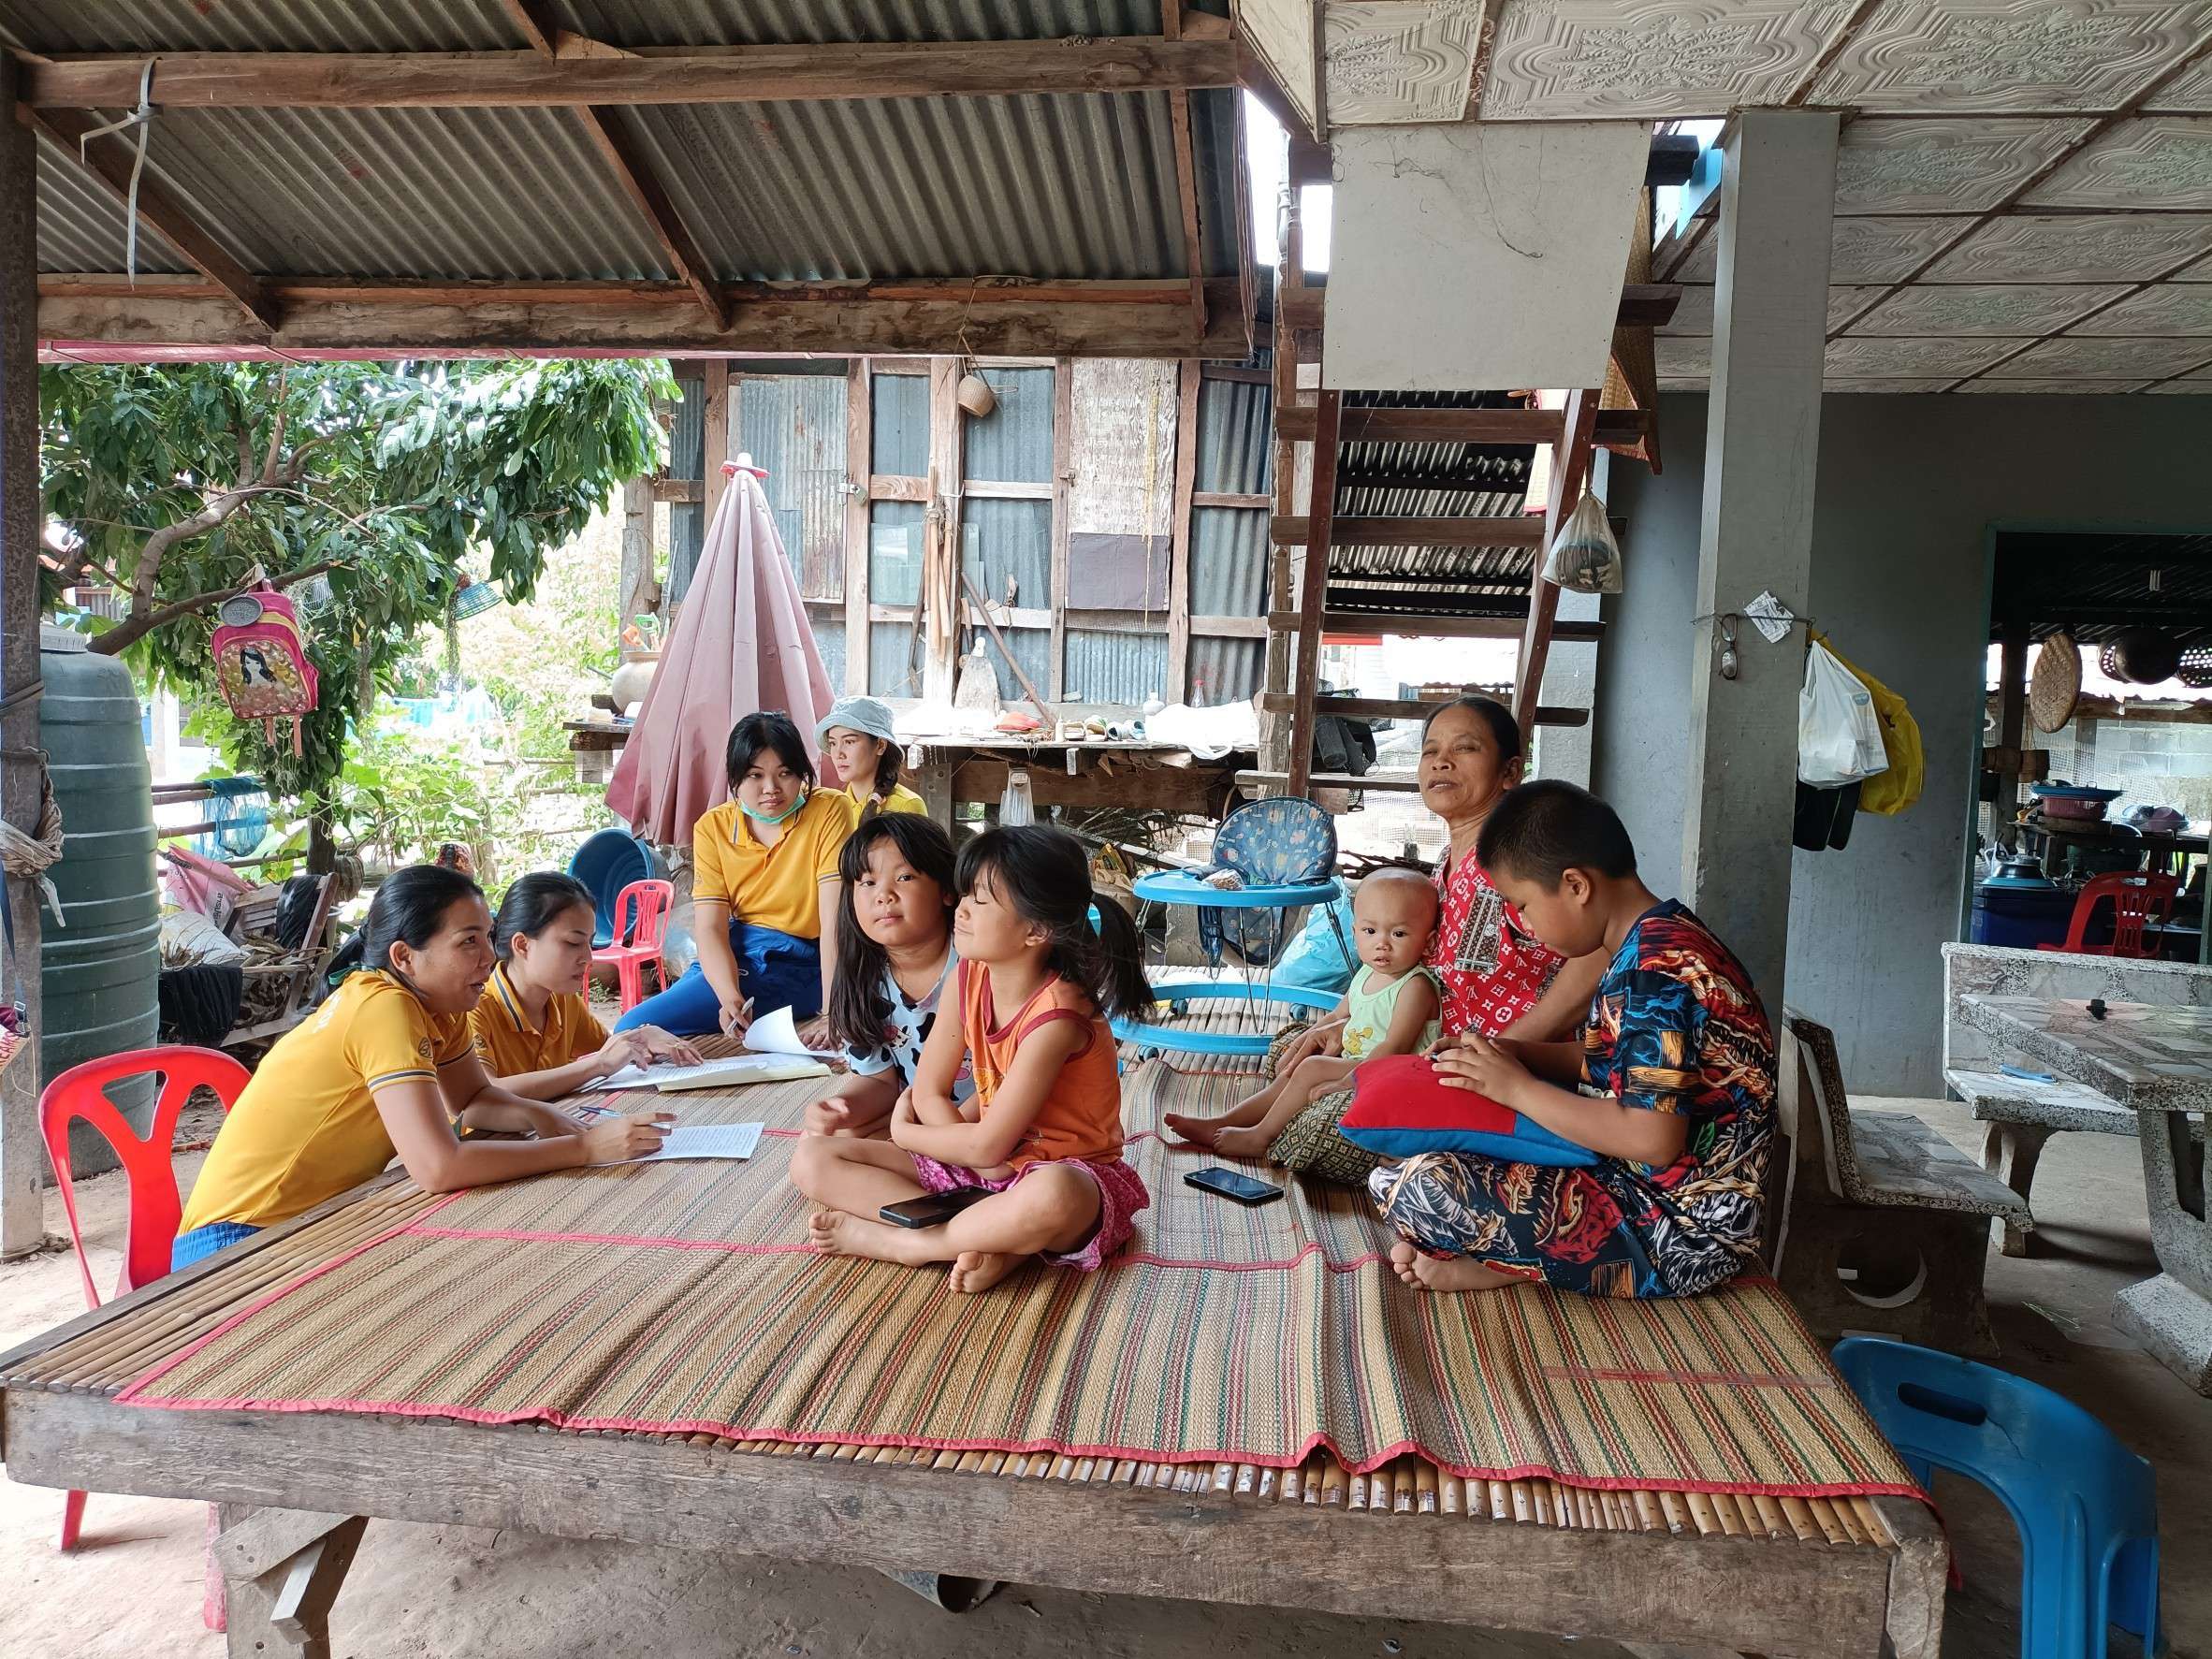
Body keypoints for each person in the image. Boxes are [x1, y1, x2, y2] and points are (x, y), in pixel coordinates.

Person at [1371, 780, 1777, 1301]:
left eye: (1523, 904)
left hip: (1680, 1233)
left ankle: (1514, 1264)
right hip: (1634, 1183)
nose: (1524, 923)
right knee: (1426, 1154)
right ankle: (1513, 1258)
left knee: (1417, 1187)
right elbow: (1607, 1061)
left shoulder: (1655, 976)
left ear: (1576, 886)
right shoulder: (1658, 939)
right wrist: (1509, 1053)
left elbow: (1652, 1140)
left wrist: (1516, 1088)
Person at [173, 864, 669, 1271]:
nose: (488, 957)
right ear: (404, 957)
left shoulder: (441, 1007)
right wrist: (584, 1148)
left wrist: (544, 1118)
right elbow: (438, 1166)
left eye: (488, 937)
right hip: (238, 1238)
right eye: (468, 941)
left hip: (311, 1220)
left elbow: (473, 1099)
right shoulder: (383, 1008)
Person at [789, 824, 1152, 1295]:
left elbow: (985, 1147)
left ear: (1036, 930)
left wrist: (908, 1133)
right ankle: (993, 1238)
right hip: (984, 1168)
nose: (960, 910)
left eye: (979, 900)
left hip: (1067, 1172)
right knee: (813, 1157)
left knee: (1053, 1195)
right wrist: (968, 1157)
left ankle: (917, 1243)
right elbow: (929, 1093)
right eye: (965, 895)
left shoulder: (1059, 1017)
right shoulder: (968, 976)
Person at [614, 711, 858, 1043]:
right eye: (755, 775)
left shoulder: (829, 810)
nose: (771, 789)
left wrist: (832, 1013)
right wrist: (729, 997)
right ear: (735, 778)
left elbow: (833, 922)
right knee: (631, 1028)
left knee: (639, 1031)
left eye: (785, 773)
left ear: (802, 773)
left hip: (804, 962)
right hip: (739, 953)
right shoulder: (713, 827)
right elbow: (711, 928)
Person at [1166, 866, 1440, 1159]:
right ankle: (1222, 1122)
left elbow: (1394, 1048)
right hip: (1361, 1060)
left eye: (1398, 933)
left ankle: (1260, 1137)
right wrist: (1303, 1043)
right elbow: (1337, 1017)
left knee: (1312, 1068)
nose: (1382, 943)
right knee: (1296, 1069)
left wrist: (1344, 1082)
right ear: (1355, 932)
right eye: (1370, 931)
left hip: (1399, 1073)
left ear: (1429, 942)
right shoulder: (1367, 974)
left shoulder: (1415, 986)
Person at [808, 814, 973, 1137]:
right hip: (920, 1119)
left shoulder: (978, 963)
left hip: (998, 1118)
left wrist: (952, 1136)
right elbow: (879, 1081)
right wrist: (842, 1108)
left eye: (905, 877)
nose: (884, 896)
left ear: (946, 890)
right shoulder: (862, 977)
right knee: (833, 1139)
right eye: (868, 883)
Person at [473, 871, 701, 1099]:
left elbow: (607, 1049)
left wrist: (641, 1036)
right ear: (523, 945)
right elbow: (485, 1092)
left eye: (589, 943)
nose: (588, 958)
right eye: (573, 943)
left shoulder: (561, 1000)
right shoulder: (475, 1009)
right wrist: (597, 1065)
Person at [818, 694, 926, 819]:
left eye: (849, 742)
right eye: (833, 743)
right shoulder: (832, 808)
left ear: (880, 746)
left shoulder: (906, 806)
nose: (838, 754)